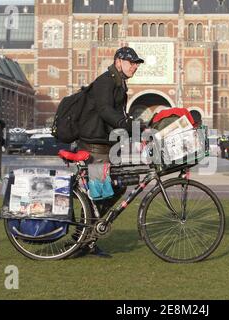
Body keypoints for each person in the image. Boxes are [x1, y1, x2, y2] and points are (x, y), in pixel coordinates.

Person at [76, 46, 145, 257]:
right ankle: (82, 240)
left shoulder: (119, 84)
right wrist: (127, 124)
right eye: (131, 62)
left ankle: (88, 236)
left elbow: (117, 116)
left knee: (118, 186)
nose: (135, 66)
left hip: (105, 145)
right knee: (96, 194)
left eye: (136, 63)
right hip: (94, 146)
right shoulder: (105, 81)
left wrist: (135, 133)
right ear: (118, 62)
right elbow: (105, 110)